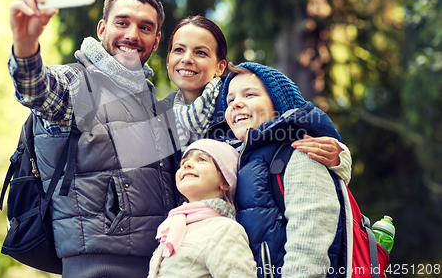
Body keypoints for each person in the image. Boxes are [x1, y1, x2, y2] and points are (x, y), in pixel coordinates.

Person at [8, 0, 179, 278]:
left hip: (157, 267)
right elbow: (36, 89)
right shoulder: (78, 84)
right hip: (96, 269)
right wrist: (25, 44)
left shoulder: (154, 101)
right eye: (122, 22)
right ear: (102, 29)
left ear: (155, 39)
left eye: (145, 27)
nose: (132, 34)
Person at [166, 15, 351, 182]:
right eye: (179, 50)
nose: (187, 59)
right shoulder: (157, 119)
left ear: (220, 67)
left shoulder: (241, 104)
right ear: (168, 60)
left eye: (201, 52)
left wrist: (340, 158)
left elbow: (301, 122)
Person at [222, 62, 345, 277]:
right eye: (230, 100)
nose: (236, 104)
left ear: (279, 104)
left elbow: (309, 246)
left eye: (249, 95)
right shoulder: (234, 162)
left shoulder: (299, 154)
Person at [147, 139, 257, 277]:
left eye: (201, 159)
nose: (187, 164)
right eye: (183, 163)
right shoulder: (174, 225)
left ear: (225, 182)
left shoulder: (224, 230)